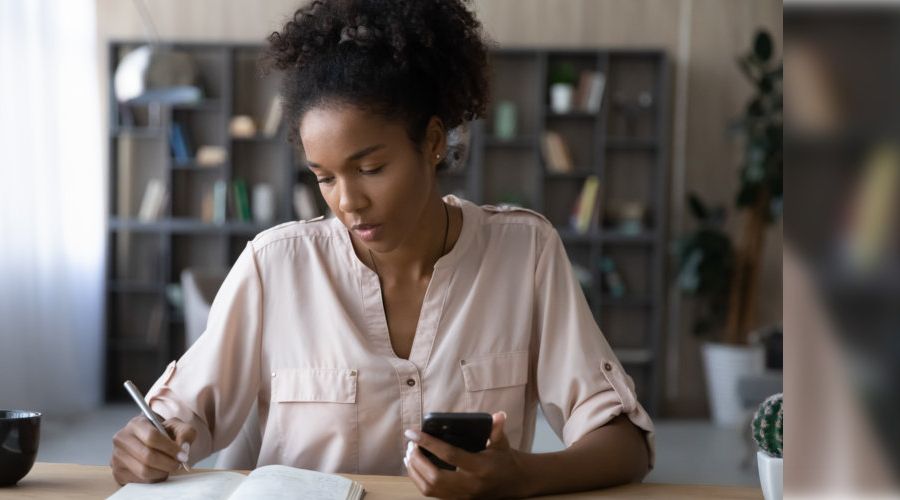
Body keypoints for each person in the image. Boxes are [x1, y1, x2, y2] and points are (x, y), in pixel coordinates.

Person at [110, 0, 652, 497]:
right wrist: (143, 445)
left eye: (370, 168)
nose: (348, 202)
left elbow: (624, 442)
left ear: (435, 142)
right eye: (323, 177)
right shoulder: (274, 267)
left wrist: (521, 477)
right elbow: (169, 426)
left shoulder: (525, 253)